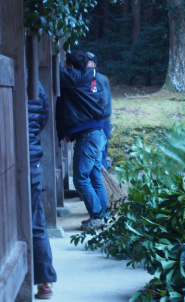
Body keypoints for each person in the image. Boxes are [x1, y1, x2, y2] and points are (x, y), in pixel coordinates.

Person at [56, 50, 108, 230]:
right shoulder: (87, 76)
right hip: (96, 133)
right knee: (94, 175)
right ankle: (103, 216)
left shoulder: (75, 77)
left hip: (89, 135)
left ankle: (97, 216)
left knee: (80, 178)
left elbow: (57, 71)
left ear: (71, 66)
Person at [28, 81, 58, 299]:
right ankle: (45, 283)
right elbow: (43, 118)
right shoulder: (34, 83)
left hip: (13, 160)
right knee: (36, 222)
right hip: (32, 160)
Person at [86, 52, 112, 171]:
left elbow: (103, 100)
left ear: (94, 64)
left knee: (100, 154)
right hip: (95, 122)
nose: (85, 63)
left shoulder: (99, 79)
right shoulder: (87, 78)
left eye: (88, 61)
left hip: (102, 122)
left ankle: (104, 185)